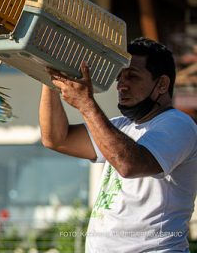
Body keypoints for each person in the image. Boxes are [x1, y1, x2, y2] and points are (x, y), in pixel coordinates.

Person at [39, 37, 197, 252]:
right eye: (119, 77)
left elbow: (129, 165)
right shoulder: (122, 126)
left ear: (162, 84)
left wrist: (86, 104)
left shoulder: (178, 124)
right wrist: (50, 80)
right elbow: (56, 139)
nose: (121, 85)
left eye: (132, 76)